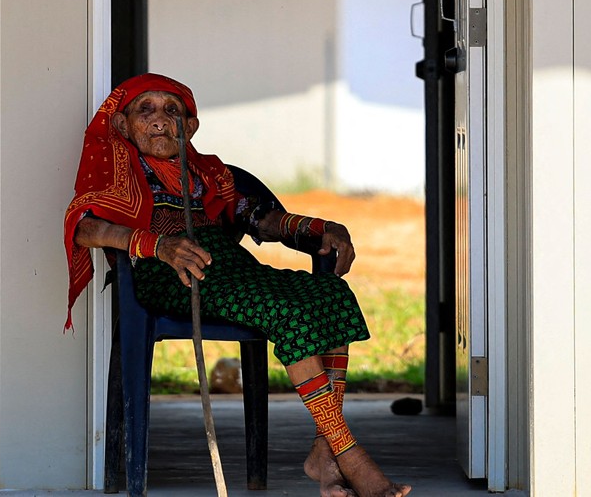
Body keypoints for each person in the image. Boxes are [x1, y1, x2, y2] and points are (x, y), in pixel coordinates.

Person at [64, 73, 410, 497]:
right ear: (123, 125)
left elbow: (261, 219)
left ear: (189, 126)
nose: (159, 120)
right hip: (169, 273)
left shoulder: (210, 172)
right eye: (145, 110)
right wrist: (159, 245)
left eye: (171, 111)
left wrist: (322, 226)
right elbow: (86, 228)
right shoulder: (115, 169)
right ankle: (352, 457)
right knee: (284, 311)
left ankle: (325, 448)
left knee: (330, 294)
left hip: (232, 267)